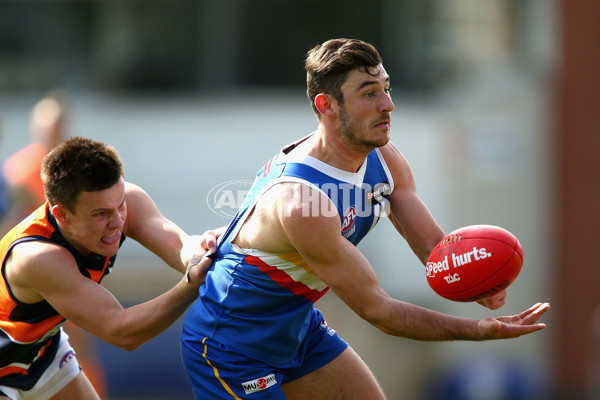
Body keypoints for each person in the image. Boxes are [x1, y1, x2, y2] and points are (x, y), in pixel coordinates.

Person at [180, 38, 550, 400]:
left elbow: (437, 252)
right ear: (327, 105)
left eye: (386, 88)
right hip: (231, 347)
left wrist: (476, 282)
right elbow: (380, 310)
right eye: (370, 93)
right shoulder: (302, 202)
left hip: (298, 329)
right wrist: (476, 331)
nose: (388, 104)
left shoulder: (384, 158)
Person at [0, 136, 217, 400]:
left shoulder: (123, 202)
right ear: (62, 215)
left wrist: (203, 249)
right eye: (100, 214)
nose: (117, 222)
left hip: (42, 352)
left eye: (121, 204)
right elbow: (121, 331)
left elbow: (179, 246)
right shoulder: (38, 257)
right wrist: (189, 286)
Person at [1, 91, 68, 235]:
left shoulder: (75, 165)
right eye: (49, 127)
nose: (53, 132)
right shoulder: (19, 165)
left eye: (57, 126)